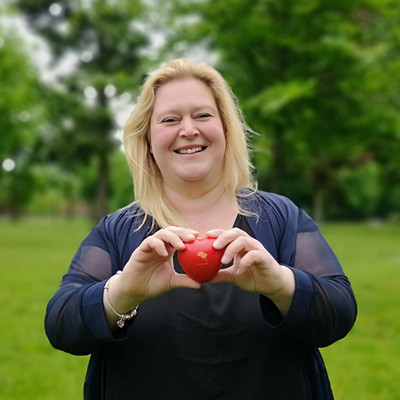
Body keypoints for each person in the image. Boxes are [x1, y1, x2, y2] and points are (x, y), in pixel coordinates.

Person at [45, 58, 357, 400]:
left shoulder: (279, 216)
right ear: (148, 140)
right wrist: (123, 293)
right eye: (170, 119)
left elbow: (339, 313)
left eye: (203, 115)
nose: (189, 130)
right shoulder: (118, 230)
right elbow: (61, 326)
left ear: (225, 129)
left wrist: (281, 285)